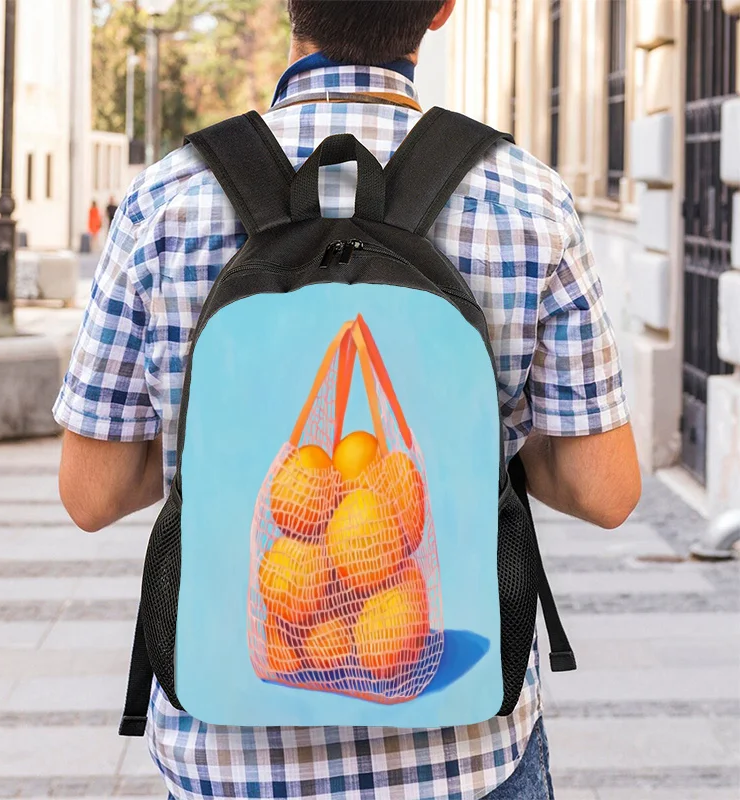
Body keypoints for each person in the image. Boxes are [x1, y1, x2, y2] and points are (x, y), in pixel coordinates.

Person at [55, 1, 641, 797]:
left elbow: (91, 494)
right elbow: (604, 490)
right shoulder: (526, 198)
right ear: (441, 11)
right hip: (463, 754)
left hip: (231, 759)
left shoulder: (166, 199)